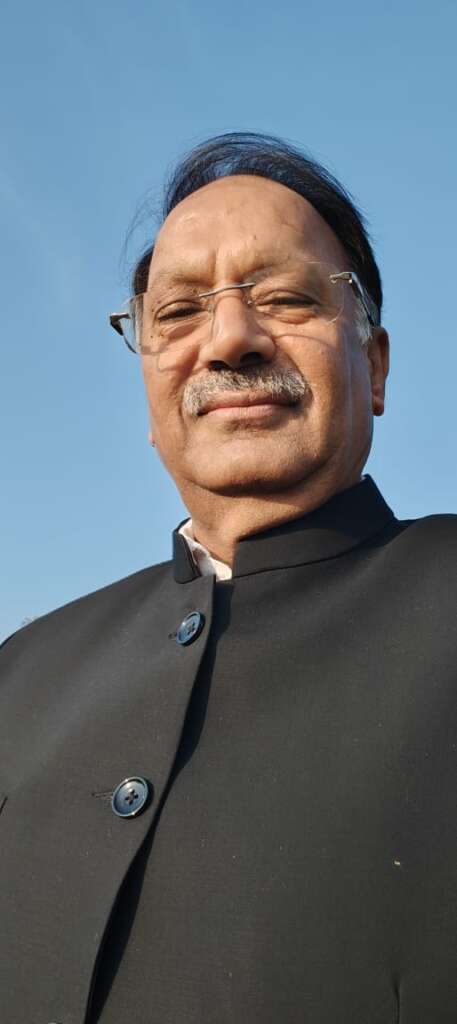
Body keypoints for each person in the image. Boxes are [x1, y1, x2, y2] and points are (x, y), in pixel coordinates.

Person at [1, 132, 456, 1024]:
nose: (230, 340)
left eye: (284, 297)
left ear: (373, 366)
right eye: (177, 313)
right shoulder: (22, 671)